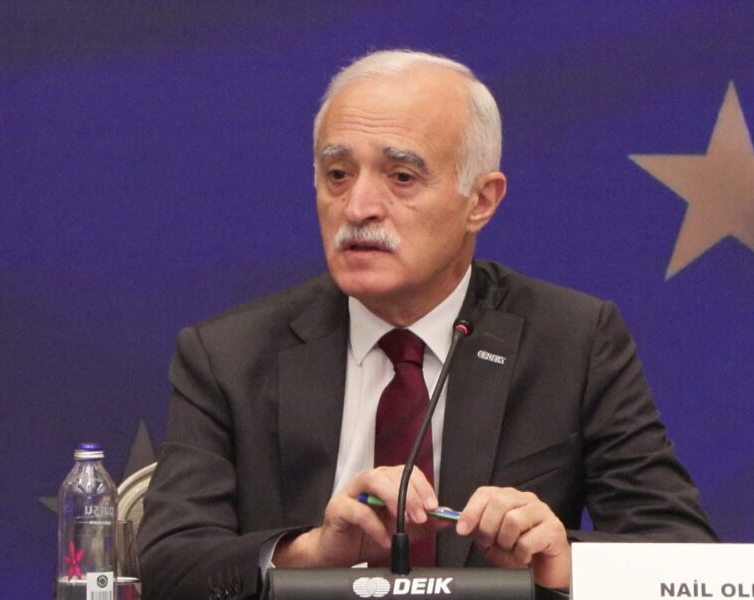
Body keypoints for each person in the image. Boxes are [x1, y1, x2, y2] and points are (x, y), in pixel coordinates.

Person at [137, 49, 717, 599]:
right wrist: (312, 552)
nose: (357, 207)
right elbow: (168, 565)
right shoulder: (229, 356)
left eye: (402, 177)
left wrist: (559, 561)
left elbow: (687, 558)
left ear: (480, 201)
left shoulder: (572, 342)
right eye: (337, 174)